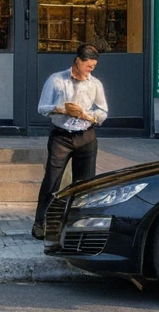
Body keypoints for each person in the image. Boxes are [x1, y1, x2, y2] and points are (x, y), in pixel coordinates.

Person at [32, 42, 108, 240]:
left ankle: (79, 225)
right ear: (77, 61)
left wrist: (93, 117)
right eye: (88, 66)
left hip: (86, 135)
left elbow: (103, 110)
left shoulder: (95, 84)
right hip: (62, 135)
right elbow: (42, 107)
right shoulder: (57, 80)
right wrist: (62, 109)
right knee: (52, 180)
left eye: (93, 66)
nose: (91, 69)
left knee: (85, 184)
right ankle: (41, 223)